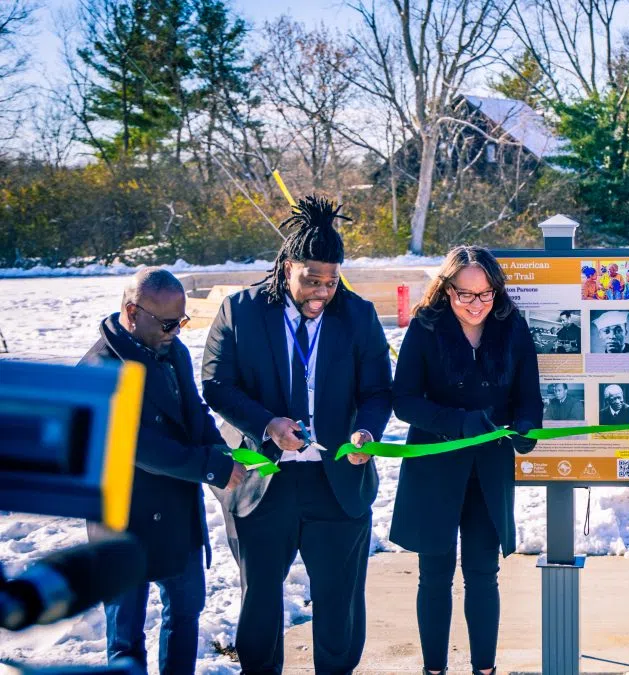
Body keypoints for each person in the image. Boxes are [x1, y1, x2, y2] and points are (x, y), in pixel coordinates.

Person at [202, 197, 392, 675]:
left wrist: (366, 431)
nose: (322, 292)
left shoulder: (359, 315)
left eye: (331, 281)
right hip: (264, 483)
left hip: (338, 483)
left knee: (339, 603)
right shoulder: (239, 311)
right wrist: (268, 424)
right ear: (288, 268)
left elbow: (377, 391)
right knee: (261, 600)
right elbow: (216, 386)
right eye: (312, 280)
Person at [82, 268, 247, 675]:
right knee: (126, 635)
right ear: (131, 311)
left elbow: (194, 413)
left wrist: (220, 452)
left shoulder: (174, 352)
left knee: (185, 614)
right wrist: (210, 468)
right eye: (169, 322)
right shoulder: (99, 367)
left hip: (176, 513)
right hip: (123, 520)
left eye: (182, 320)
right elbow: (141, 448)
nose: (178, 330)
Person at [390, 245, 544, 675]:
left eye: (486, 294)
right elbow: (403, 401)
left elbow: (528, 396)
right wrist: (457, 422)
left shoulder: (511, 327)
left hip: (489, 469)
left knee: (482, 573)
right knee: (435, 575)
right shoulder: (426, 327)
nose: (476, 305)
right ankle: (434, 669)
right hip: (434, 467)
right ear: (446, 289)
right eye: (465, 295)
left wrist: (526, 429)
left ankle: (485, 668)